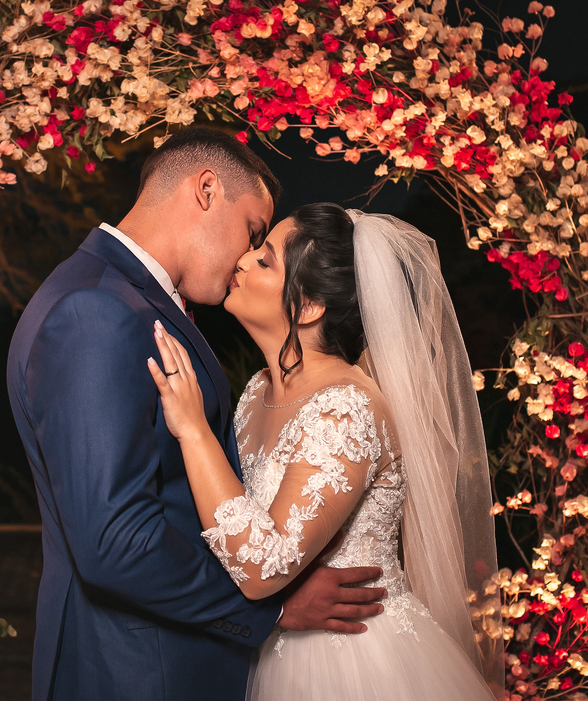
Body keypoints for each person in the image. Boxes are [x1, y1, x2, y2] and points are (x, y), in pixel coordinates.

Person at [6, 130, 387, 701]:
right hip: (137, 672)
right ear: (206, 190)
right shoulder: (97, 313)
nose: (244, 258)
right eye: (253, 232)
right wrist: (273, 607)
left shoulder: (130, 301)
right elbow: (115, 542)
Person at [147, 203, 503, 700]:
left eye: (265, 260)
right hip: (273, 650)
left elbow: (261, 568)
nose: (244, 261)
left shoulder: (345, 409)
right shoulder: (254, 392)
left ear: (309, 306)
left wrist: (194, 431)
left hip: (357, 664)